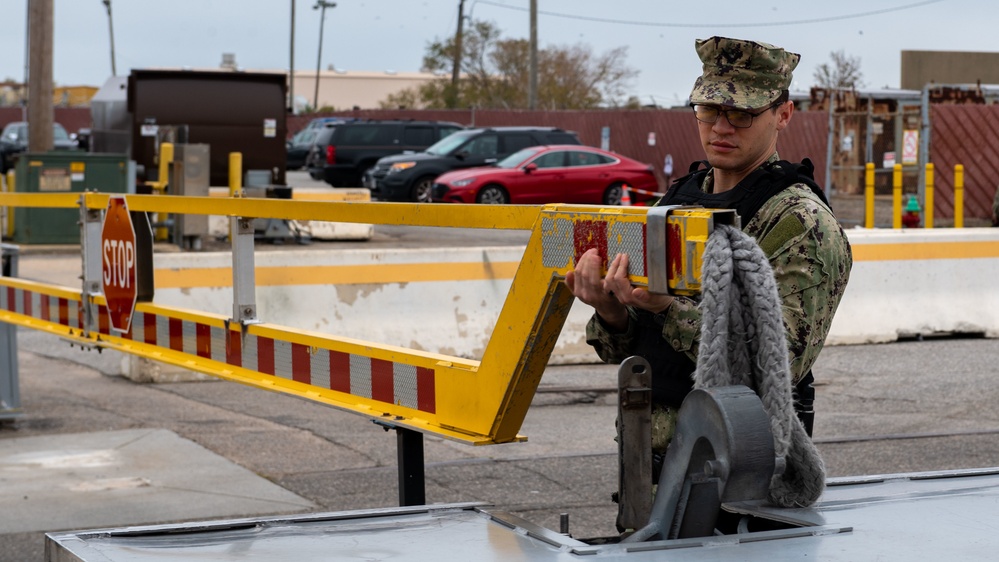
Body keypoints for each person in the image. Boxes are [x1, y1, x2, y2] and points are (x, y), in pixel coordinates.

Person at [565, 36, 853, 470]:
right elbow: (626, 350)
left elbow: (776, 368)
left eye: (742, 113)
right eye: (709, 109)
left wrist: (666, 308)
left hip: (739, 476)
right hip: (651, 467)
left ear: (783, 114)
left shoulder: (801, 223)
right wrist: (612, 311)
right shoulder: (677, 203)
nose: (721, 127)